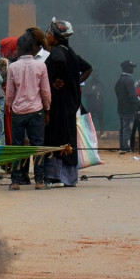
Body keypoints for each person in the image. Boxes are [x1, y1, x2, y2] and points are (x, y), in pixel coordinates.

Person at [43, 18, 92, 187]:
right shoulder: (71, 52)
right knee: (68, 137)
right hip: (71, 103)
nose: (46, 36)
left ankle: (55, 176)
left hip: (58, 103)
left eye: (48, 33)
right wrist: (74, 81)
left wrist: (55, 79)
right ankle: (69, 177)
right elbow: (88, 68)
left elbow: (59, 62)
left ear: (55, 37)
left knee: (55, 136)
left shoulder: (56, 51)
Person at [5, 33, 51, 190]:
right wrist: (47, 109)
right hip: (36, 110)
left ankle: (16, 181)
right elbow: (45, 91)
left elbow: (10, 92)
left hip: (18, 111)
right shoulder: (41, 66)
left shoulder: (12, 67)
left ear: (18, 49)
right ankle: (39, 180)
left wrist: (9, 105)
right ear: (33, 49)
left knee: (17, 146)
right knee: (38, 146)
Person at [114, 60, 138, 154]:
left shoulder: (119, 80)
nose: (133, 69)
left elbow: (117, 92)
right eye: (131, 67)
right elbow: (132, 96)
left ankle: (122, 147)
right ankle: (127, 148)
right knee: (127, 128)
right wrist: (138, 104)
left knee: (122, 128)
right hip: (129, 109)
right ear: (128, 68)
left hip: (120, 108)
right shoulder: (129, 80)